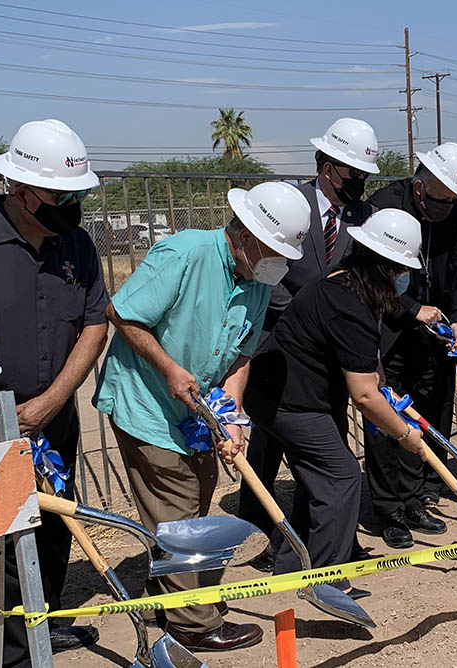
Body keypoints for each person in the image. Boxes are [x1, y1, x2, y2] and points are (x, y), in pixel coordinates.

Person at [93, 181, 310, 652]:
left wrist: (231, 416)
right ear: (246, 234)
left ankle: (169, 597)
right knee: (177, 509)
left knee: (198, 498)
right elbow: (123, 312)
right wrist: (170, 368)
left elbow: (239, 356)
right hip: (147, 402)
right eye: (273, 249)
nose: (279, 261)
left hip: (199, 412)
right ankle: (194, 623)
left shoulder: (256, 280)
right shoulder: (184, 254)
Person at [0, 119, 107, 664]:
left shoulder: (77, 245)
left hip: (53, 420)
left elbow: (94, 323)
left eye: (75, 193)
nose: (69, 203)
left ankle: (42, 622)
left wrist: (53, 401)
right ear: (20, 189)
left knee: (54, 524)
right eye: (58, 193)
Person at [244, 209, 426, 599]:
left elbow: (360, 357)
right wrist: (406, 434)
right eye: (398, 271)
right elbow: (362, 396)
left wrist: (377, 374)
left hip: (283, 391)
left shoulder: (345, 283)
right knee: (341, 475)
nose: (401, 280)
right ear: (384, 268)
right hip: (288, 400)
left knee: (320, 476)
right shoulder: (350, 303)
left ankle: (294, 567)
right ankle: (324, 578)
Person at [239, 118, 379, 571]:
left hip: (327, 352)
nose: (359, 183)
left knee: (325, 444)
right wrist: (310, 310)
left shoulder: (361, 217)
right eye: (354, 173)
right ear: (329, 167)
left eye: (364, 175)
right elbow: (263, 266)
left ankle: (318, 541)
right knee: (268, 445)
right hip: (274, 338)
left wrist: (331, 323)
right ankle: (261, 534)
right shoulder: (288, 203)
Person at [363, 142, 457, 549]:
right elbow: (372, 273)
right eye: (438, 199)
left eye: (451, 200)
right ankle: (387, 508)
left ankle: (414, 499)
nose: (444, 208)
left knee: (425, 414)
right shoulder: (385, 207)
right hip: (388, 329)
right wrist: (411, 308)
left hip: (435, 329)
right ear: (418, 186)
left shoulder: (456, 212)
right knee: (385, 418)